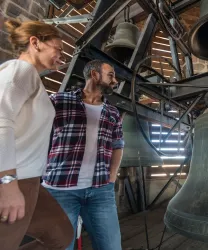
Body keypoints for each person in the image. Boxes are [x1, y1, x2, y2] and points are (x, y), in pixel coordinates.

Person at [0, 19, 73, 249]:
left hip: (30, 180)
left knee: (61, 234)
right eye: (58, 48)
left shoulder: (33, 79)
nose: (61, 54)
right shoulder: (20, 70)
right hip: (13, 179)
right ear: (36, 42)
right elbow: (1, 121)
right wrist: (8, 184)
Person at [43, 59, 124, 250]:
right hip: (60, 190)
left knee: (111, 246)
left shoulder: (112, 112)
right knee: (60, 246)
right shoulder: (59, 101)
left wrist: (111, 177)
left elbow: (118, 145)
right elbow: (33, 131)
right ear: (95, 75)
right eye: (111, 75)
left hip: (100, 190)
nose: (115, 81)